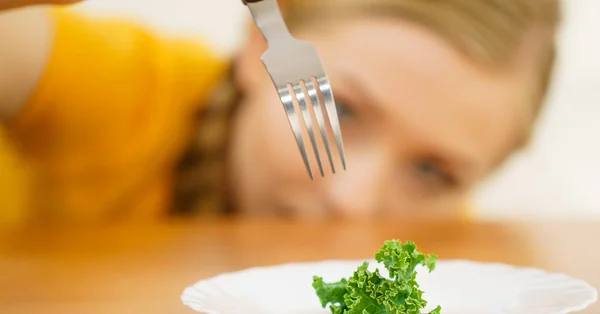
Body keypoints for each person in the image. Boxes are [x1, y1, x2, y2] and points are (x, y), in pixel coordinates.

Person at [0, 0, 561, 226]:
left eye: (433, 173)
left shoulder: (446, 259)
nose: (353, 201)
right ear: (259, 45)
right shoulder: (114, 89)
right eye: (343, 108)